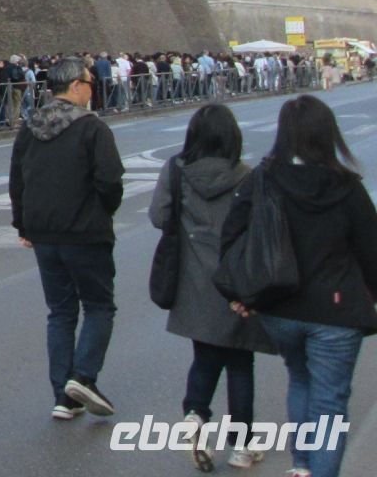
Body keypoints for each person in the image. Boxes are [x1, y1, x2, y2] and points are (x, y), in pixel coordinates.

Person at [221, 97, 377, 477]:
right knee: (330, 402)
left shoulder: (262, 178)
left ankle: (302, 464)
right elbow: (372, 251)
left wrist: (241, 295)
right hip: (336, 311)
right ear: (329, 135)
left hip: (280, 308)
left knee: (300, 377)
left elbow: (232, 237)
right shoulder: (347, 186)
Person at [149, 103, 277, 472]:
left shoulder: (176, 169)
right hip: (236, 283)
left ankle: (195, 415)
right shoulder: (247, 176)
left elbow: (159, 216)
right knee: (240, 361)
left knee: (204, 354)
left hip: (191, 281)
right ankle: (241, 445)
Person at [9, 55, 125, 421]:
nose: (93, 88)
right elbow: (109, 181)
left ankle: (63, 395)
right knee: (99, 306)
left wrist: (23, 226)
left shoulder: (30, 127)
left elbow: (17, 181)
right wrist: (104, 211)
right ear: (75, 86)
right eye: (90, 82)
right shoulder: (92, 128)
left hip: (44, 234)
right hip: (85, 231)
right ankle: (84, 378)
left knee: (60, 313)